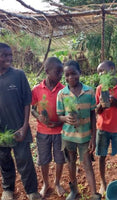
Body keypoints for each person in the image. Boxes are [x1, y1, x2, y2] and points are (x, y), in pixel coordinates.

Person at [0, 43, 41, 200]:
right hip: (2, 132)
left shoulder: (18, 75)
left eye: (10, 55)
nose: (9, 58)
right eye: (5, 55)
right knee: (4, 161)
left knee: (24, 160)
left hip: (19, 128)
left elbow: (26, 101)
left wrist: (25, 126)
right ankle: (7, 189)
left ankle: (31, 191)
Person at [56, 60, 101, 200]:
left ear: (80, 73)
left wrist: (93, 137)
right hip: (68, 136)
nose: (70, 78)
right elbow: (59, 116)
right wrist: (66, 119)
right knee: (70, 162)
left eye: (74, 73)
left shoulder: (89, 91)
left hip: (85, 136)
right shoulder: (62, 94)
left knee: (87, 163)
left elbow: (93, 115)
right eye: (67, 75)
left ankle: (94, 193)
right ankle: (74, 190)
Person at [31, 57, 66, 198]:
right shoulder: (37, 89)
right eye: (57, 72)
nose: (60, 75)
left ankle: (57, 182)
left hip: (60, 131)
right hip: (42, 131)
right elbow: (32, 108)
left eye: (61, 72)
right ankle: (46, 183)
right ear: (47, 71)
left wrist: (59, 122)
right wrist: (38, 117)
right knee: (43, 159)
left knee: (59, 159)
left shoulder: (63, 90)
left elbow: (66, 111)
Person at [95, 60, 117, 195]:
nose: (100, 74)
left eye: (102, 70)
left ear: (112, 69)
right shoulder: (100, 88)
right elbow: (97, 111)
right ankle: (103, 183)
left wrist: (114, 102)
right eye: (99, 72)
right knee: (101, 156)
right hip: (102, 128)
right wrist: (101, 105)